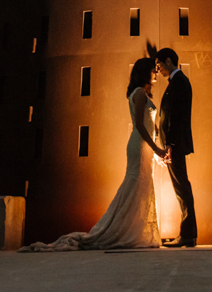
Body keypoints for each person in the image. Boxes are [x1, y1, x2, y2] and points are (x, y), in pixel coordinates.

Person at [20, 57, 169, 251]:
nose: (156, 72)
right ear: (144, 72)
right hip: (140, 146)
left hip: (144, 147)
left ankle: (134, 231)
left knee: (138, 187)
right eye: (153, 69)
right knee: (135, 186)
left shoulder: (142, 93)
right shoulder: (139, 93)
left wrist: (156, 152)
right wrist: (156, 148)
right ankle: (122, 231)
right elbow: (140, 126)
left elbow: (150, 127)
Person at [155, 48, 197, 247]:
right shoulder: (178, 82)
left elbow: (176, 116)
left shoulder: (179, 82)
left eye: (160, 65)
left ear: (169, 61)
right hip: (175, 142)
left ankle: (188, 234)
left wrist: (170, 143)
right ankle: (187, 234)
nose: (158, 70)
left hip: (176, 143)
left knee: (181, 187)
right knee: (180, 187)